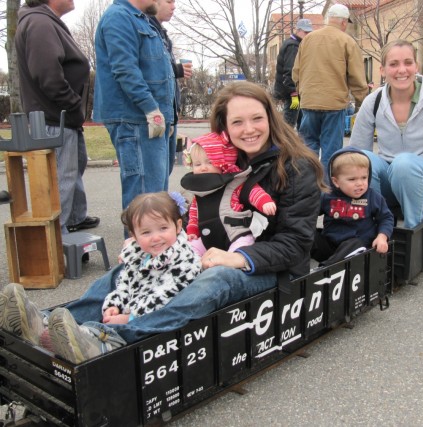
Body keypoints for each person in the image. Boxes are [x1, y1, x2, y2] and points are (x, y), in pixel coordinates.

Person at [0, 81, 326, 356]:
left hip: (269, 268)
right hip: (206, 253)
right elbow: (197, 210)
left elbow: (296, 245)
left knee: (215, 280)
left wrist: (237, 258)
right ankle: (43, 322)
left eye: (256, 118)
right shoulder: (223, 159)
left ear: (271, 118)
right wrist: (155, 236)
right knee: (135, 266)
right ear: (224, 128)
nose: (249, 129)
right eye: (237, 122)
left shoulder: (297, 168)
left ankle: (105, 339)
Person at [0, 192, 202, 363]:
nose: (156, 237)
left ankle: (93, 339)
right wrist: (114, 304)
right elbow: (125, 284)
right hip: (131, 310)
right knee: (112, 279)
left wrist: (129, 317)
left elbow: (164, 297)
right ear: (133, 235)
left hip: (152, 321)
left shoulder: (184, 260)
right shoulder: (139, 255)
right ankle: (43, 326)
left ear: (177, 226)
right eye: (146, 232)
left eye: (163, 229)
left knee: (115, 327)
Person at [349, 40, 423, 229]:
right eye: (393, 64)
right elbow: (356, 155)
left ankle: (412, 231)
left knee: (403, 164)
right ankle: (373, 227)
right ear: (383, 70)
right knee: (364, 159)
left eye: (408, 63)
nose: (402, 70)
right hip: (391, 175)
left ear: (416, 66)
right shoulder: (373, 101)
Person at [15, 0, 99, 234]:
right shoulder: (39, 22)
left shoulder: (46, 21)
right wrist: (74, 106)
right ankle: (56, 242)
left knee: (72, 172)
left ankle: (74, 220)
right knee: (59, 183)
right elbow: (48, 76)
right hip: (53, 120)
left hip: (61, 118)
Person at [93, 0, 176, 213]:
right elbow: (125, 69)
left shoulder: (141, 20)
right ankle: (139, 247)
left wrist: (167, 116)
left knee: (155, 198)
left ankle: (153, 246)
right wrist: (151, 109)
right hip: (135, 119)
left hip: (147, 119)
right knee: (143, 200)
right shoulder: (119, 17)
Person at [292, 3, 368, 175]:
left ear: (328, 19)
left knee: (308, 148)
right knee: (331, 153)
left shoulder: (308, 39)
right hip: (334, 104)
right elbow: (356, 77)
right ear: (343, 22)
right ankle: (325, 192)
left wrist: (303, 92)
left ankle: (307, 187)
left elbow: (296, 72)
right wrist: (363, 101)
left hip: (309, 102)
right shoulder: (347, 41)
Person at [181, 131, 277, 255]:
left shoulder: (233, 182)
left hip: (236, 235)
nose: (203, 168)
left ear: (223, 162)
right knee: (189, 252)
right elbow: (194, 213)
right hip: (207, 238)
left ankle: (230, 263)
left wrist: (264, 202)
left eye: (210, 162)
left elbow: (253, 191)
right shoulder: (199, 191)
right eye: (197, 164)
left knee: (239, 251)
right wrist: (192, 230)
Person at [311, 148, 393, 267]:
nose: (360, 183)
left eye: (364, 178)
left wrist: (382, 237)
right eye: (352, 179)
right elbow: (310, 214)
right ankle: (294, 268)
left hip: (356, 248)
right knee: (305, 233)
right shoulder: (327, 196)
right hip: (330, 245)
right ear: (336, 182)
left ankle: (325, 270)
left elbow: (386, 218)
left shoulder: (373, 197)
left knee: (355, 244)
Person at [148, 0, 193, 174]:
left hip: (168, 115)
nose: (173, 6)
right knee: (154, 176)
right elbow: (146, 71)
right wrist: (176, 69)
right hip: (155, 114)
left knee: (164, 172)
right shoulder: (145, 31)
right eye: (169, 1)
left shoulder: (161, 33)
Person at [273, 18, 313, 129]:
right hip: (291, 93)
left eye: (309, 32)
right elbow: (290, 71)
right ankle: (284, 145)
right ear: (298, 30)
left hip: (291, 91)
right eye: (306, 32)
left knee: (298, 123)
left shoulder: (292, 43)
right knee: (288, 126)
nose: (308, 35)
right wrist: (293, 93)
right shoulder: (293, 46)